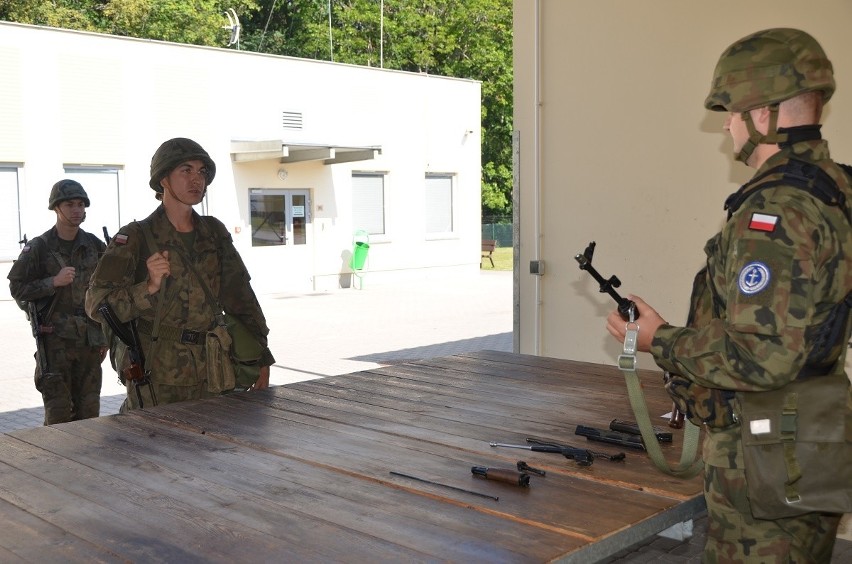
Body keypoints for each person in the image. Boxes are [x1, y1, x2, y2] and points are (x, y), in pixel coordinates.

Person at [605, 29, 851, 561]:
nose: (726, 124)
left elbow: (763, 358)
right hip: (810, 434)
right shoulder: (837, 187)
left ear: (764, 114)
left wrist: (658, 340)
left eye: (733, 112)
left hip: (765, 455)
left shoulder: (776, 211)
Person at [85, 137, 275, 410]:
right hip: (157, 379)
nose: (196, 179)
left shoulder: (214, 233)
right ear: (163, 179)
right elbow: (96, 304)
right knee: (156, 450)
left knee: (214, 450)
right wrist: (147, 288)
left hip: (214, 371)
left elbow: (241, 299)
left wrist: (260, 358)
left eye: (202, 172)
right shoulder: (135, 237)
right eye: (185, 170)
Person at [8, 179, 108, 425]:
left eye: (81, 204)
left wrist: (106, 336)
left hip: (89, 340)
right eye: (70, 204)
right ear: (56, 208)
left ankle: (87, 464)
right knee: (59, 414)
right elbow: (17, 288)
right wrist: (52, 282)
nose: (77, 210)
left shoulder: (94, 245)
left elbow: (108, 291)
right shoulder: (40, 247)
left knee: (89, 412)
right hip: (55, 343)